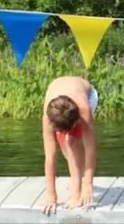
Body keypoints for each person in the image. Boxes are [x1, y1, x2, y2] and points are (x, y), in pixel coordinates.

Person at [40, 76, 98, 214]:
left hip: (88, 95)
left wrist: (88, 184)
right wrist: (51, 196)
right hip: (62, 97)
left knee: (70, 141)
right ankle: (77, 173)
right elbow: (50, 157)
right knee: (65, 143)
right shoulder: (48, 117)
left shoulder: (83, 109)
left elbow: (91, 149)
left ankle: (76, 194)